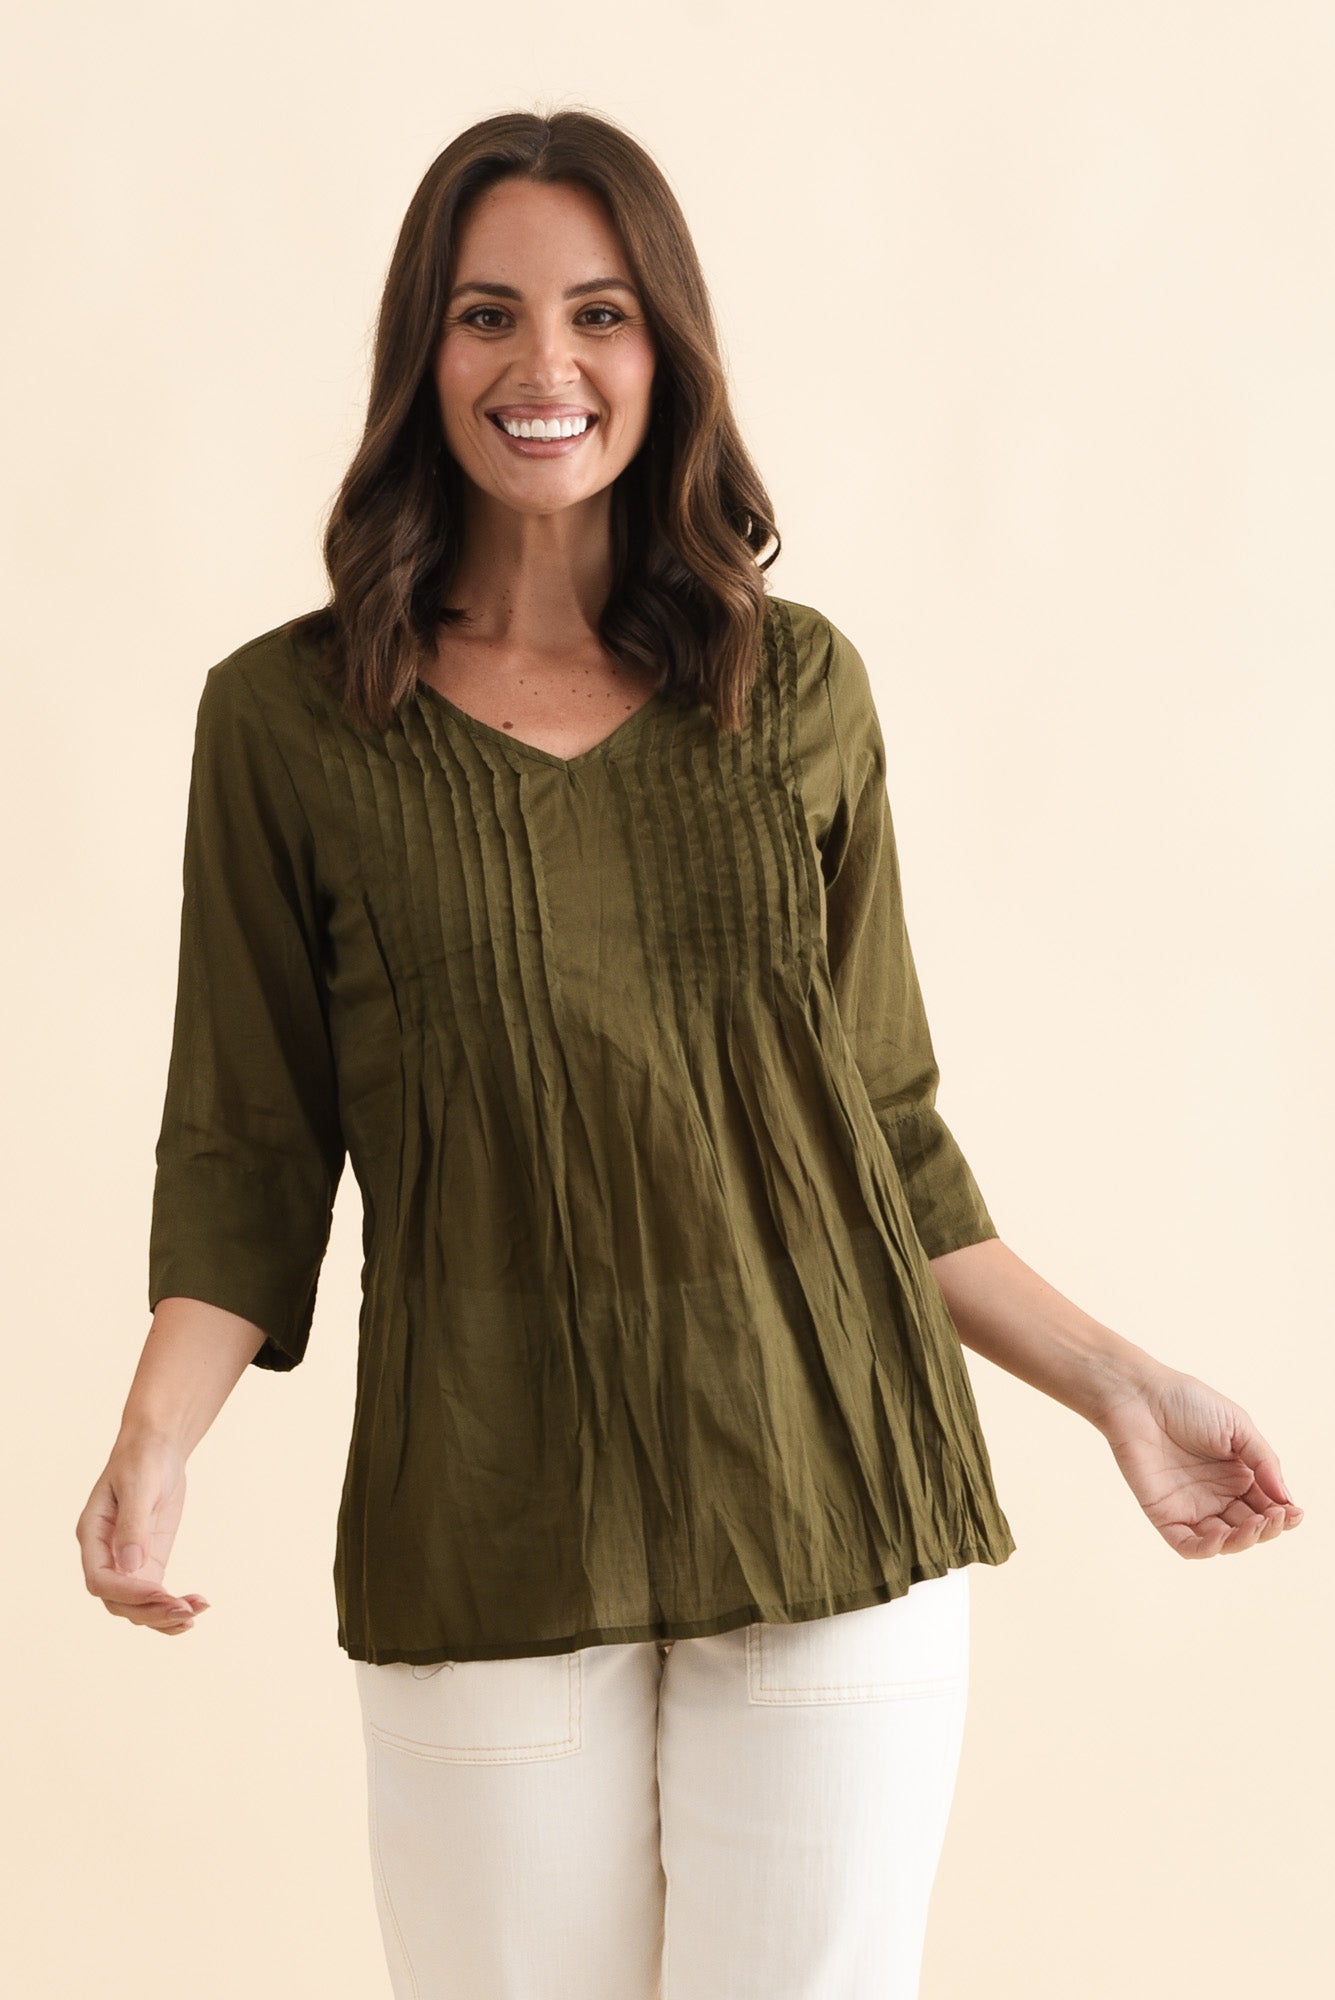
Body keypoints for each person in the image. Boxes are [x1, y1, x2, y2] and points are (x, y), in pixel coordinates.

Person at [75, 108, 1303, 2000]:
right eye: (488, 314)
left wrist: (1123, 1390)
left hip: (829, 1479)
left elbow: (881, 1131)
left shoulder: (794, 687)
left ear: (668, 352)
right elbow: (249, 1146)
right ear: (424, 352)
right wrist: (153, 1445)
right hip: (488, 1506)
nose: (545, 366)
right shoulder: (288, 724)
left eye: (602, 314)